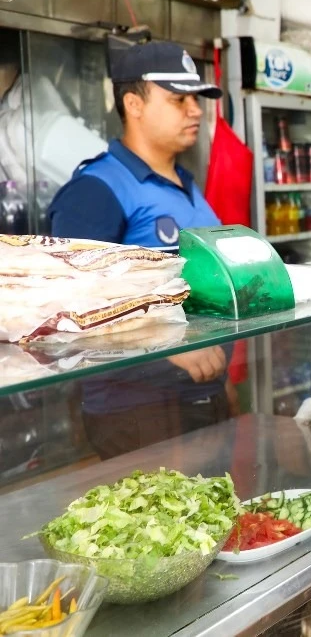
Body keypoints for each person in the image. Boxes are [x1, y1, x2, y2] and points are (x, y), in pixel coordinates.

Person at [46, 40, 233, 459]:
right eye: (178, 99)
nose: (196, 110)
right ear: (134, 103)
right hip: (134, 408)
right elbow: (69, 310)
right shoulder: (96, 190)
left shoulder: (187, 186)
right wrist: (167, 344)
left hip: (201, 396)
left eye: (197, 99)